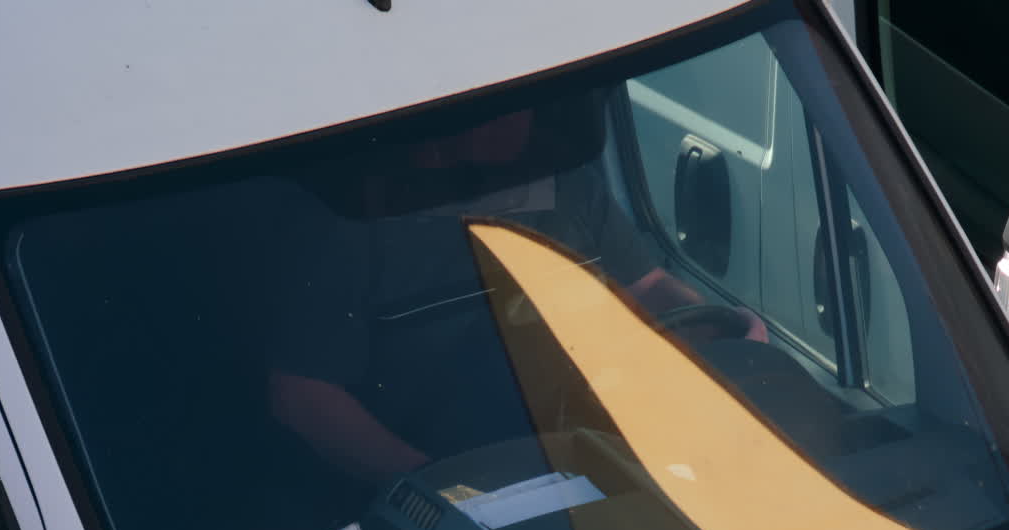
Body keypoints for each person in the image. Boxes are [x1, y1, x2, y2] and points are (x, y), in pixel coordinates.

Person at [266, 106, 767, 481]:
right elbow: (303, 395)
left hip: (598, 447)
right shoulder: (354, 224)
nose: (525, 118)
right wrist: (430, 484)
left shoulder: (570, 186)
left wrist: (721, 332)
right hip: (449, 466)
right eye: (497, 108)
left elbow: (649, 287)